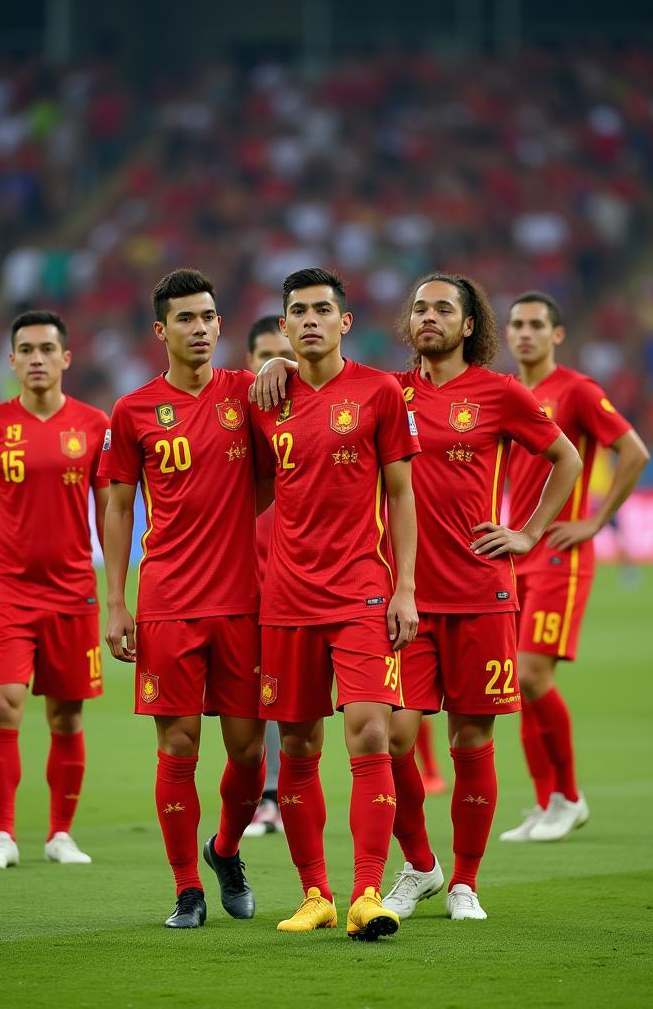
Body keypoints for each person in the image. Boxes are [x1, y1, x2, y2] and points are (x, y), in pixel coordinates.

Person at [254, 274, 581, 923]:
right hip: (397, 597)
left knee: (469, 740)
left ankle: (465, 881)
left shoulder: (500, 393)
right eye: (420, 308)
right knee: (395, 740)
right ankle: (421, 863)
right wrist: (278, 358)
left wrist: (528, 532)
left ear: (469, 326)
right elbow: (323, 378)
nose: (428, 317)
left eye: (444, 309)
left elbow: (566, 459)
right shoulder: (386, 389)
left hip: (480, 590)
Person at [249, 268, 419, 941]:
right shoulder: (265, 394)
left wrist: (405, 587)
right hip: (286, 597)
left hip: (360, 589)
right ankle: (315, 892)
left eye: (324, 309)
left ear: (345, 321)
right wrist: (272, 361)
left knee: (372, 730)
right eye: (299, 312)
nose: (312, 319)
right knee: (295, 743)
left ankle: (367, 892)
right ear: (284, 326)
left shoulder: (378, 391)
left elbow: (401, 494)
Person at [102, 269, 268, 928]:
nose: (198, 329)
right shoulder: (134, 410)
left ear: (221, 324)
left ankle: (226, 849)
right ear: (160, 330)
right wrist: (115, 602)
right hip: (167, 599)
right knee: (177, 746)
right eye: (185, 319)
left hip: (244, 601)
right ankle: (187, 889)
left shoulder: (251, 394)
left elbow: (273, 476)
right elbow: (117, 508)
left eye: (207, 317)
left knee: (250, 752)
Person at [0, 310, 109, 869]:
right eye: (26, 350)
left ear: (66, 358)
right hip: (9, 591)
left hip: (73, 594)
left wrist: (116, 596)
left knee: (66, 718)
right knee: (2, 707)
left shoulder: (93, 424)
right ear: (12, 360)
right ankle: (3, 834)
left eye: (47, 349)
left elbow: (111, 509)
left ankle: (60, 833)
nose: (37, 359)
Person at [500, 291, 649, 843]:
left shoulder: (578, 391)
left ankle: (569, 796)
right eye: (517, 324)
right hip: (519, 553)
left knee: (534, 674)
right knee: (514, 680)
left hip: (562, 553)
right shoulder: (510, 394)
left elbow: (633, 452)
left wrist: (595, 521)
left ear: (557, 334)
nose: (525, 333)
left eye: (537, 324)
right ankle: (543, 804)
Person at [243, 316, 293, 839]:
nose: (276, 365)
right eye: (264, 355)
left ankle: (279, 795)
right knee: (259, 698)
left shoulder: (328, 412)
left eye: (284, 355)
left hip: (309, 582)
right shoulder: (237, 416)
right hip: (245, 582)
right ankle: (266, 796)